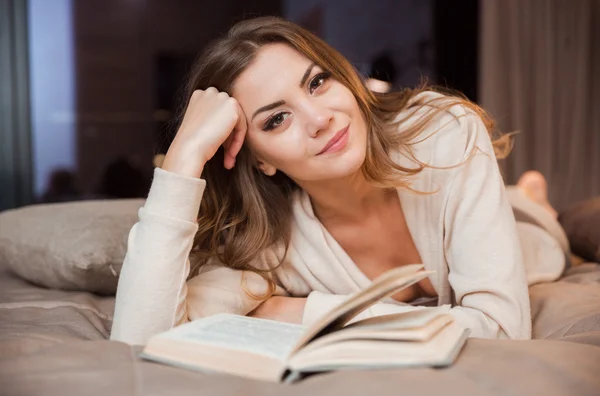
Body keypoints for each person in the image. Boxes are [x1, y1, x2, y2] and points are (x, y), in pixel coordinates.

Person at [110, 17, 568, 346]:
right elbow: (137, 339)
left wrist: (299, 312)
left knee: (544, 231)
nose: (319, 119)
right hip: (465, 205)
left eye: (317, 83)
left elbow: (505, 331)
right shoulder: (270, 247)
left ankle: (530, 197)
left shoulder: (443, 132)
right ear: (260, 163)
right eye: (276, 120)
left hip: (523, 234)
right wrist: (183, 157)